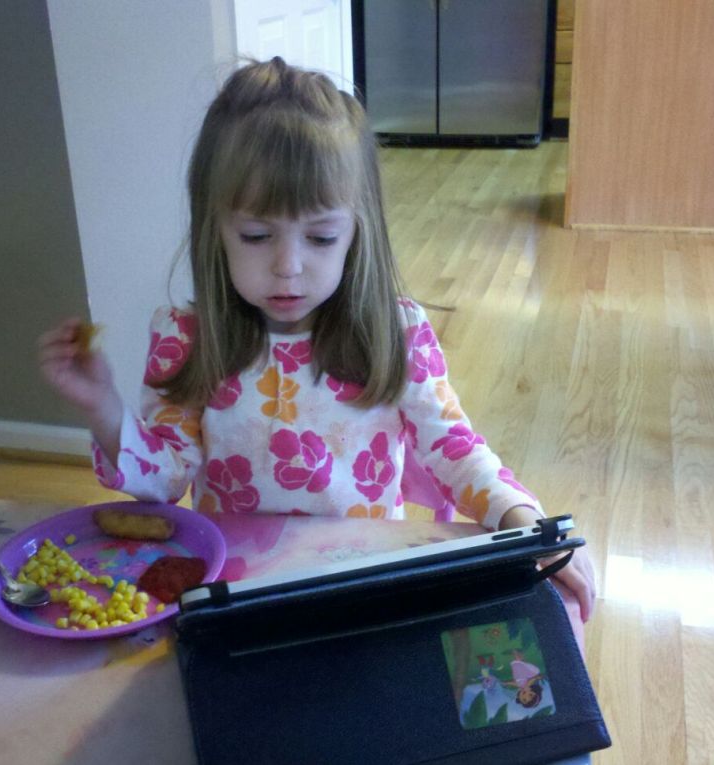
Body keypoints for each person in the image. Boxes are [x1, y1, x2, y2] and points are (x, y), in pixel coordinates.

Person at [38, 57, 595, 622]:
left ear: (357, 231)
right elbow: (165, 481)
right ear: (215, 229)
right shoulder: (186, 339)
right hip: (238, 592)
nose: (288, 266)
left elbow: (454, 450)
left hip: (363, 585)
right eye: (256, 235)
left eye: (322, 237)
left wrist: (526, 522)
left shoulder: (397, 334)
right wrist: (105, 409)